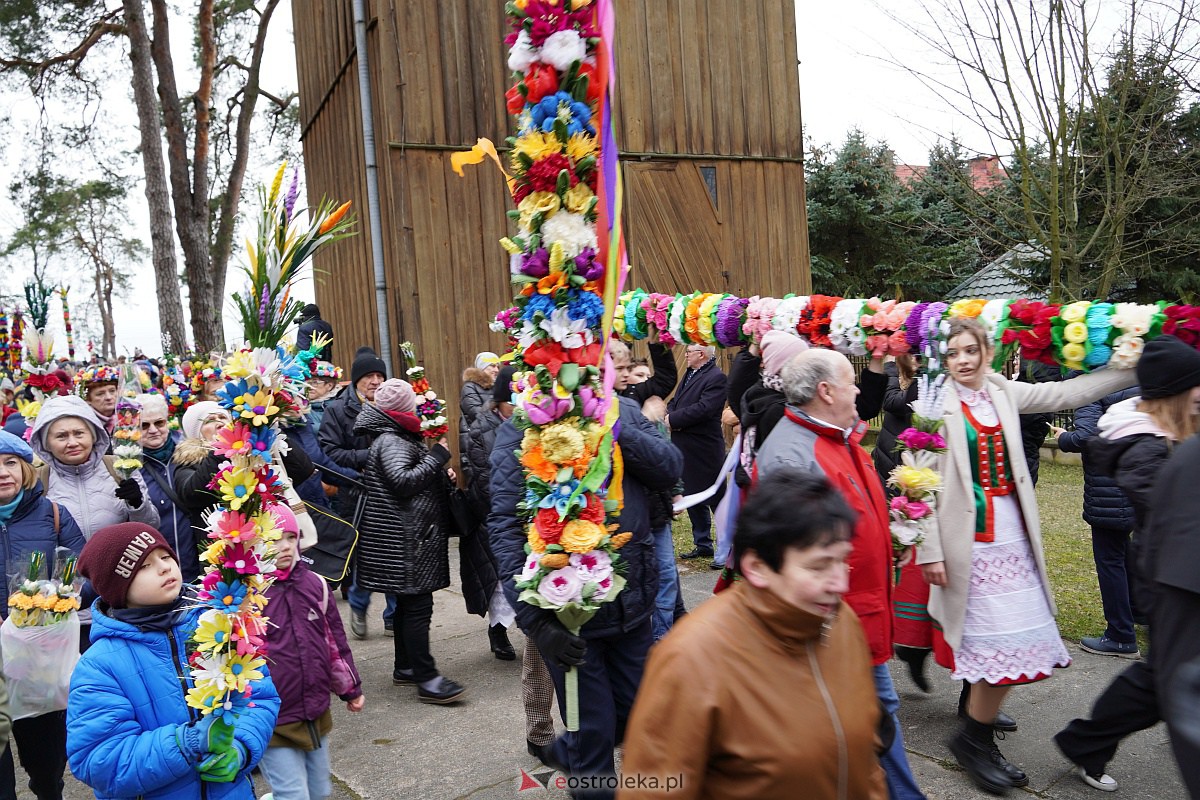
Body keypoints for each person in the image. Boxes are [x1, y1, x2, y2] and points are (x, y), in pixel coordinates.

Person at [915, 317, 1136, 795]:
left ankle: (974, 736)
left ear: (986, 352)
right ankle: (974, 739)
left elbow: (1067, 395)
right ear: (945, 360)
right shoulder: (934, 406)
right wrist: (929, 551)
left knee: (1011, 640)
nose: (964, 360)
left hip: (1011, 535)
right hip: (966, 541)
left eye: (971, 350)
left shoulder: (1002, 391)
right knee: (995, 643)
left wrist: (1132, 367)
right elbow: (916, 488)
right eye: (954, 353)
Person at [618, 470, 887, 800]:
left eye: (842, 561)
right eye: (818, 567)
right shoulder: (691, 658)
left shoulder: (841, 622)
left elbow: (864, 760)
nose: (840, 584)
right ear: (757, 568)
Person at [490, 391, 682, 798]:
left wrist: (616, 428)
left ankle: (567, 750)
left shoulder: (622, 410)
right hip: (568, 616)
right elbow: (506, 525)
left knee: (639, 717)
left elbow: (669, 469)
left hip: (632, 605)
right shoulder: (519, 430)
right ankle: (582, 763)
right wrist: (538, 624)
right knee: (594, 736)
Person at [754, 348, 924, 800]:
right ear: (826, 391)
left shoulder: (838, 438)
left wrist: (890, 540)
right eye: (851, 382)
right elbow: (791, 561)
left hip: (859, 614)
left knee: (874, 716)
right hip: (833, 625)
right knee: (867, 719)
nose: (859, 391)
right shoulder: (794, 454)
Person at [1054, 335, 1200, 793]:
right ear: (1176, 392)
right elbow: (1162, 505)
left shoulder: (1160, 435)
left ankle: (1085, 742)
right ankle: (1085, 740)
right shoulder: (1144, 443)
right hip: (1172, 574)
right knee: (1163, 680)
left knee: (1159, 680)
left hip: (1172, 568)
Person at [68, 522, 280, 799]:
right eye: (143, 566)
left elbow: (260, 698)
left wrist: (241, 746)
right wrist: (187, 742)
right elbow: (98, 761)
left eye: (165, 556)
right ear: (115, 586)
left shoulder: (219, 624)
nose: (165, 567)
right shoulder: (99, 667)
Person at [463, 367, 559, 767]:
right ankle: (538, 732)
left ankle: (586, 729)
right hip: (532, 548)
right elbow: (495, 495)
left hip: (574, 544)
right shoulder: (501, 435)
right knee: (539, 650)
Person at [354, 379, 465, 704]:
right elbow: (403, 482)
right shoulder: (391, 440)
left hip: (406, 538)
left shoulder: (395, 436)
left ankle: (405, 667)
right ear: (403, 409)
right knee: (418, 606)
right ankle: (427, 678)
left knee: (407, 605)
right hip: (405, 541)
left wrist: (434, 471)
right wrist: (437, 459)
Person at [0, 431, 85, 800]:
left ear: (24, 467)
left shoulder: (52, 515)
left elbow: (86, 572)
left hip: (38, 659)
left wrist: (51, 601)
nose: (2, 472)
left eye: (9, 462)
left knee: (46, 757)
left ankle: (47, 786)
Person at [259, 504, 364, 800]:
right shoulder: (249, 595)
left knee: (319, 791)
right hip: (273, 719)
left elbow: (335, 644)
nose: (284, 547)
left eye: (290, 538)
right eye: (273, 538)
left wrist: (350, 688)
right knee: (294, 794)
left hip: (314, 710)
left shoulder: (315, 585)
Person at [1051, 383, 1141, 657]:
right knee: (1122, 550)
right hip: (1135, 480)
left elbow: (1086, 437)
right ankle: (1137, 610)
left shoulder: (1094, 387)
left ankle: (1121, 636)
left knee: (1109, 559)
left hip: (1108, 489)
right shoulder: (1136, 380)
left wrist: (1064, 437)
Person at [609, 338, 686, 637]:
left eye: (630, 367)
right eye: (620, 368)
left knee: (666, 574)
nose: (627, 374)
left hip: (653, 505)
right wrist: (644, 419)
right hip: (627, 511)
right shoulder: (593, 407)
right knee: (639, 578)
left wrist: (658, 342)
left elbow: (666, 378)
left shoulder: (631, 395)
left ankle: (662, 636)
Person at [318, 346, 395, 637]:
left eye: (379, 375)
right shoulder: (338, 410)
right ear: (356, 380)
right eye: (368, 376)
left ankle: (392, 616)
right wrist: (368, 460)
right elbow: (329, 453)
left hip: (391, 491)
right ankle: (360, 606)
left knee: (394, 555)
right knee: (365, 557)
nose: (375, 381)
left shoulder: (392, 404)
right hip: (357, 495)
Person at [29, 395, 159, 540]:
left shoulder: (120, 468)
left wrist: (138, 504)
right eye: (61, 436)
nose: (72, 442)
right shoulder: (37, 480)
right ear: (46, 444)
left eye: (79, 433)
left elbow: (151, 528)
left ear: (93, 435)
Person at [460, 366, 518, 662]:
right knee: (496, 579)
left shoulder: (526, 424)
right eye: (511, 402)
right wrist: (498, 511)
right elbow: (480, 476)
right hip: (493, 513)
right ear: (499, 401)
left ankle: (530, 625)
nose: (516, 408)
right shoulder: (480, 428)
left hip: (524, 511)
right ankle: (498, 631)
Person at [666, 345, 727, 560]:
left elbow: (705, 408)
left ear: (701, 354)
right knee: (691, 493)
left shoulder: (716, 377)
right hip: (685, 445)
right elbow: (676, 400)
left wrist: (673, 420)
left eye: (689, 351)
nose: (685, 354)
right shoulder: (691, 373)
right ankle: (702, 543)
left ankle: (726, 547)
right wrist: (669, 413)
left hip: (705, 447)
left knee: (715, 495)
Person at [134, 393, 201, 583]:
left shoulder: (188, 457)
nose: (153, 430)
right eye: (144, 425)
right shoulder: (129, 467)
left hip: (197, 565)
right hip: (158, 574)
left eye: (159, 423)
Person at [459, 352, 499, 446]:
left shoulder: (496, 387)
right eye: (492, 366)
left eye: (498, 366)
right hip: (477, 443)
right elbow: (477, 414)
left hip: (491, 440)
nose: (496, 370)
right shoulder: (470, 387)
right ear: (482, 367)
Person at [73, 365, 121, 435]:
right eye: (100, 394)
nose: (108, 397)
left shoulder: (127, 415)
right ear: (88, 399)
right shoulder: (83, 422)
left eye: (112, 391)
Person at [305, 361, 342, 433]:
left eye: (315, 382)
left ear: (329, 386)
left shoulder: (339, 406)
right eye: (307, 381)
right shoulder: (300, 404)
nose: (309, 386)